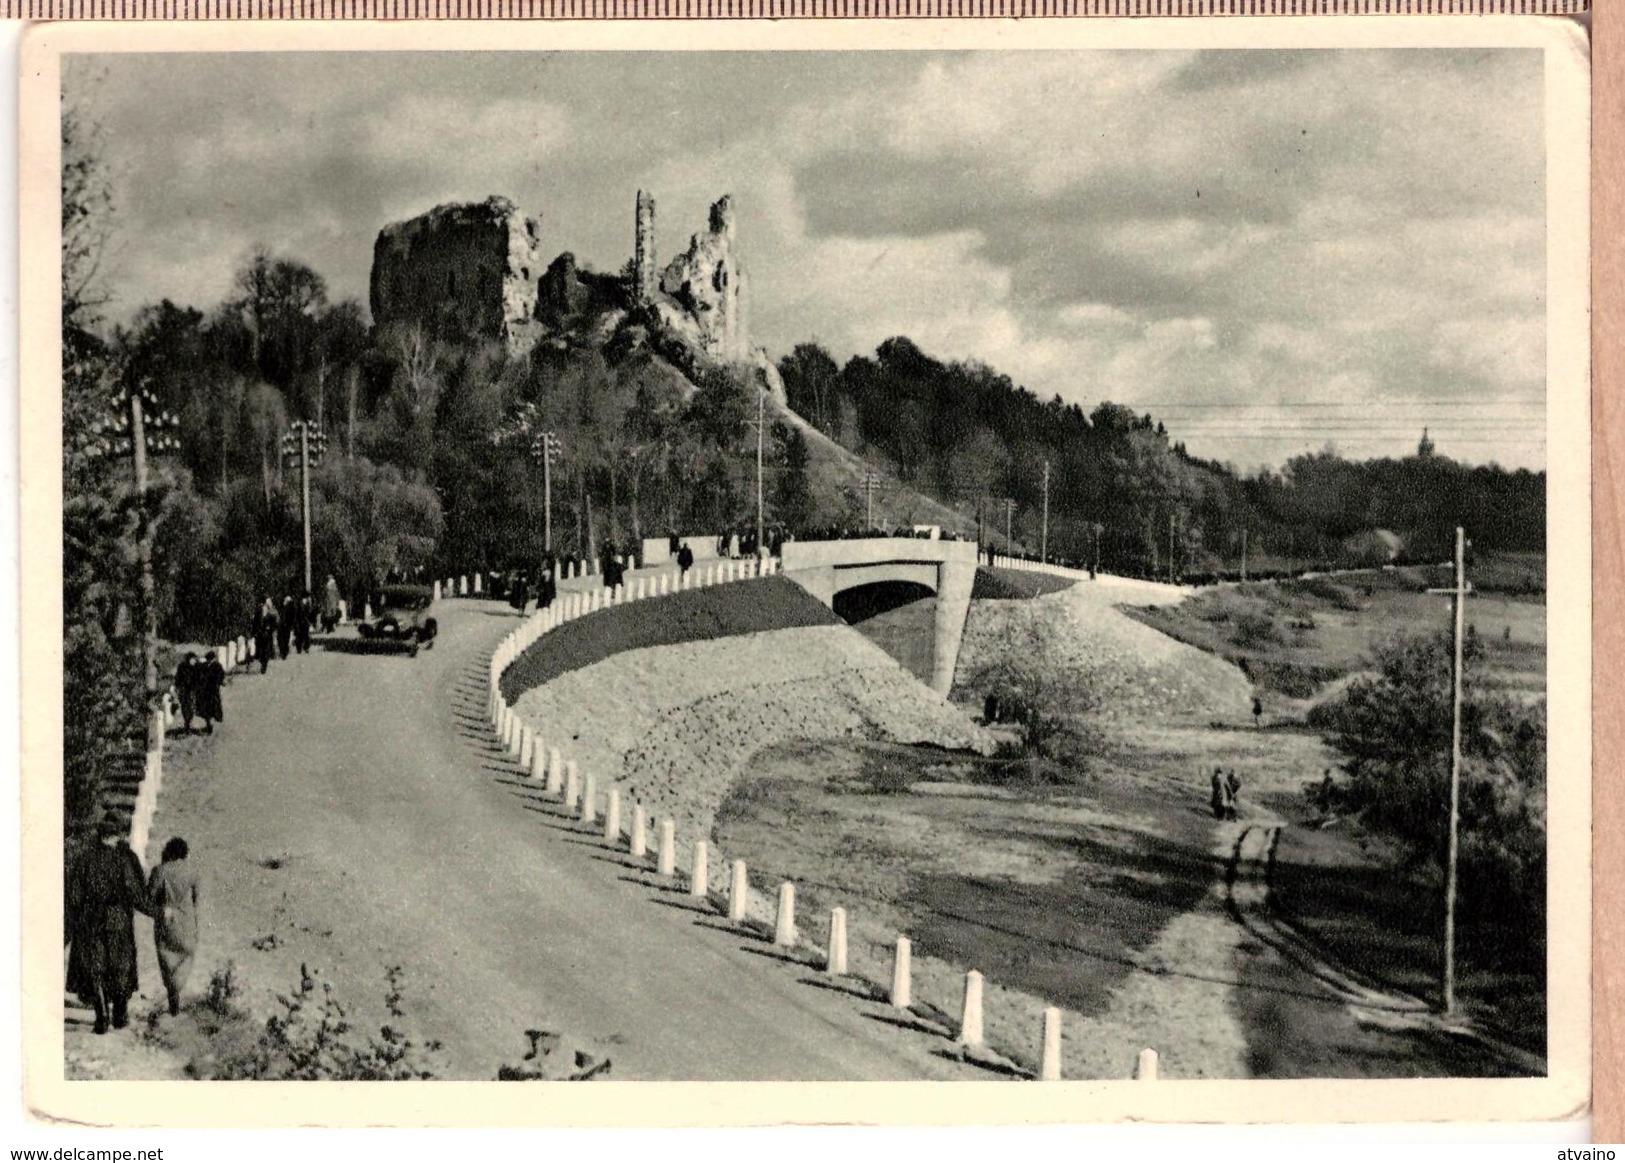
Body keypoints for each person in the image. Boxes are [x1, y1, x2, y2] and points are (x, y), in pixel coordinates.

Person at [65, 816, 152, 1034]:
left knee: (96, 969)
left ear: (99, 835)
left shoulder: (84, 859)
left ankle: (102, 1017)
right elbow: (135, 893)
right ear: (117, 835)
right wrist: (155, 912)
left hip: (91, 920)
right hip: (118, 919)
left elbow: (74, 896)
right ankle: (120, 1016)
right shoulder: (123, 859)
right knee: (120, 967)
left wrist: (75, 921)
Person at [147, 837, 200, 1018]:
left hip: (166, 923)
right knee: (185, 957)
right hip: (187, 923)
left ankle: (173, 1001)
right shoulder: (193, 872)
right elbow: (197, 901)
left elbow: (149, 899)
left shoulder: (159, 871)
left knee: (167, 962)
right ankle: (178, 989)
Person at [195, 650, 226, 734]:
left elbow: (220, 676)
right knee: (208, 708)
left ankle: (210, 725)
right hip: (208, 691)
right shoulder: (209, 666)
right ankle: (209, 724)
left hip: (211, 691)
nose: (209, 660)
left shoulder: (215, 666)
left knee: (210, 708)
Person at [173, 652, 199, 734]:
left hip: (192, 690)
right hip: (184, 690)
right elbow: (177, 678)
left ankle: (188, 723)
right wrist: (177, 687)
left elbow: (198, 678)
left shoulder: (196, 667)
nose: (194, 661)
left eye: (194, 659)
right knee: (185, 707)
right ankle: (187, 724)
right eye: (192, 659)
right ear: (189, 659)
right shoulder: (182, 667)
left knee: (191, 707)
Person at [255, 597, 278, 674]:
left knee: (265, 650)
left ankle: (264, 665)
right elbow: (255, 622)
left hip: (266, 634)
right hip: (261, 633)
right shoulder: (259, 612)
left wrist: (270, 630)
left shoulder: (270, 614)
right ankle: (262, 663)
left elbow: (274, 624)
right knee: (262, 649)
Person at [277, 595, 296, 660]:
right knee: (283, 639)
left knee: (285, 640)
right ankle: (283, 653)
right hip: (283, 625)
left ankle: (284, 653)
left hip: (286, 626)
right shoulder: (282, 606)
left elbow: (292, 618)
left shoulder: (291, 608)